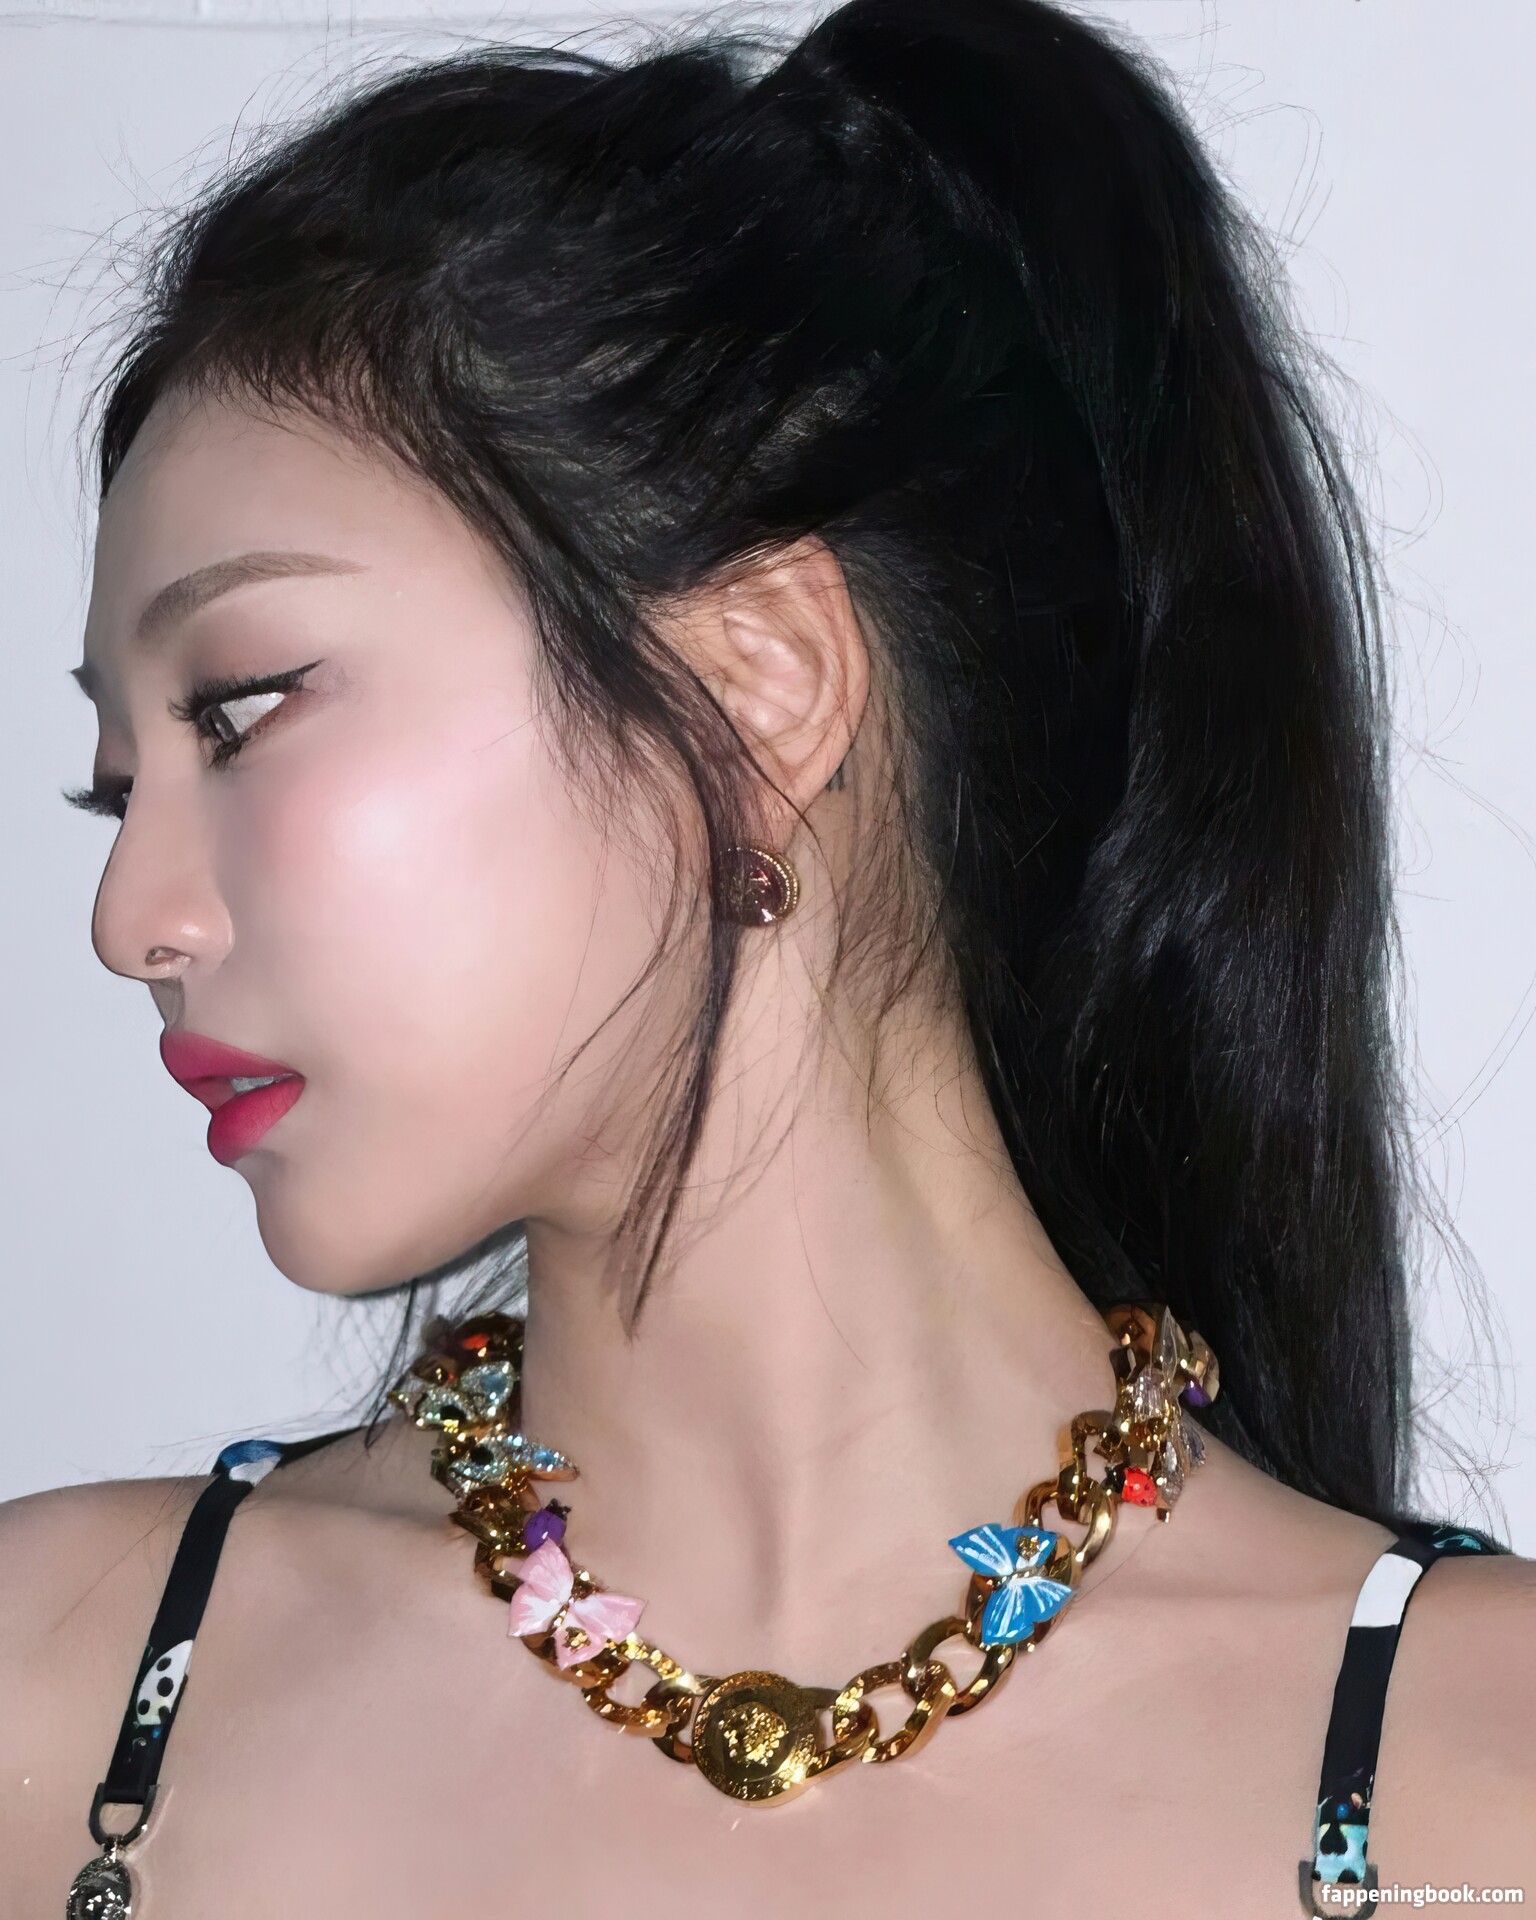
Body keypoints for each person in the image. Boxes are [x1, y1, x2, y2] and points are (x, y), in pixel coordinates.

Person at [2, 0, 1532, 1912]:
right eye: (116, 786)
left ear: (756, 688)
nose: (131, 916)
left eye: (241, 710)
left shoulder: (1482, 1780)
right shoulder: (57, 1697)